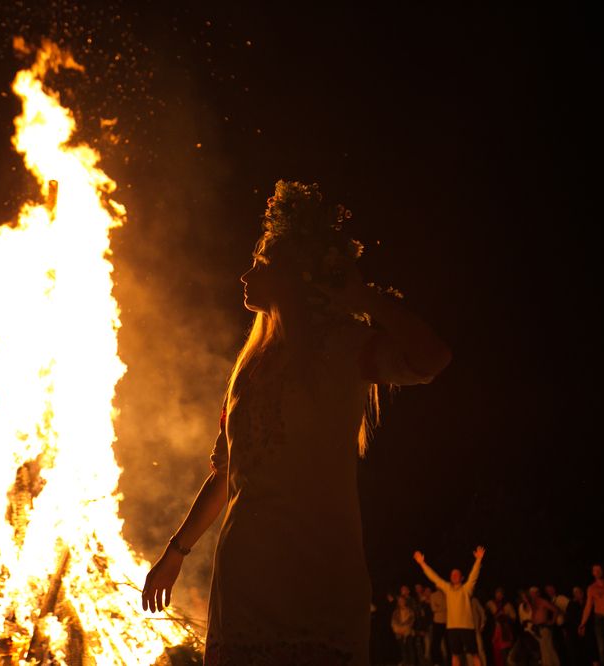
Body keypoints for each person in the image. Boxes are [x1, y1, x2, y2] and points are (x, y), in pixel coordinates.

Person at [141, 180, 452, 666]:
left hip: (318, 576)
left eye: (260, 265)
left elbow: (432, 357)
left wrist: (362, 296)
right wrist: (176, 552)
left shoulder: (346, 346)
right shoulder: (248, 368)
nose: (245, 275)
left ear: (292, 277)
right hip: (245, 583)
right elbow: (226, 474)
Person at [413, 547, 485, 666]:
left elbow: (473, 575)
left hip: (467, 627)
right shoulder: (447, 589)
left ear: (461, 577)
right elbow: (434, 577)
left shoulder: (466, 589)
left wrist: (478, 560)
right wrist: (422, 563)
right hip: (452, 628)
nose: (454, 575)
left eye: (457, 574)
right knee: (455, 655)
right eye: (452, 574)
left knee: (474, 654)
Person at [528, 587, 561, 666]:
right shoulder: (533, 603)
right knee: (543, 650)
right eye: (531, 593)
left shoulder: (543, 602)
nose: (532, 595)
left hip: (545, 627)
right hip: (538, 629)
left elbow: (556, 610)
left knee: (548, 649)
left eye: (533, 593)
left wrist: (552, 621)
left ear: (537, 593)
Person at [393, 596, 418, 666]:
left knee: (410, 648)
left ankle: (411, 663)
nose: (401, 602)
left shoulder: (410, 611)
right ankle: (405, 662)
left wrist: (405, 630)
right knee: (402, 649)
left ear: (405, 601)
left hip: (408, 632)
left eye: (402, 600)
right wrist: (398, 630)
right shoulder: (396, 612)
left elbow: (411, 622)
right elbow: (393, 622)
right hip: (399, 633)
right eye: (399, 601)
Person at [430, 587, 448, 666]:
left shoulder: (447, 594)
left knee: (448, 643)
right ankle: (437, 661)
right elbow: (434, 608)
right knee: (436, 642)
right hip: (437, 622)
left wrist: (439, 606)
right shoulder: (433, 595)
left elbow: (450, 607)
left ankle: (450, 661)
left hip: (447, 622)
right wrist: (444, 607)